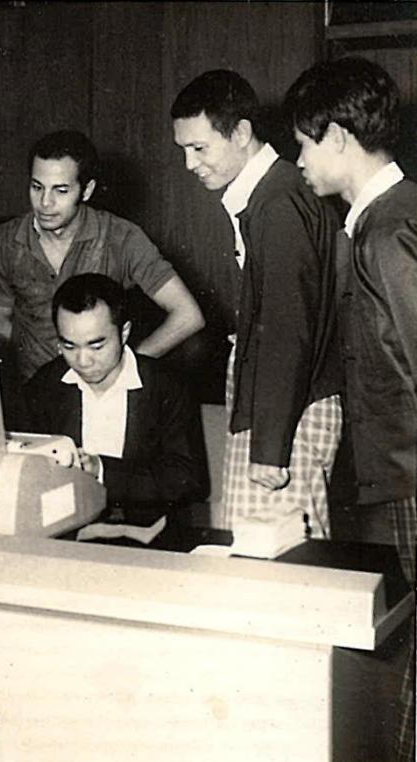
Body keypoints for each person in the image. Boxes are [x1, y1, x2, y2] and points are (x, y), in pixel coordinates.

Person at [285, 56, 415, 762]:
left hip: (411, 477)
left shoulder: (390, 229)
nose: (299, 160)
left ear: (337, 137)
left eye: (304, 143)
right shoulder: (379, 222)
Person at [171, 70, 343, 553]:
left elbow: (289, 330)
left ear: (242, 134)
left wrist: (270, 447)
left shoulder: (278, 201)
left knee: (278, 556)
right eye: (184, 149)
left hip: (289, 411)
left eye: (200, 148)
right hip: (279, 404)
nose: (189, 163)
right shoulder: (268, 195)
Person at [0, 129, 204, 386]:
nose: (45, 202)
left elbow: (188, 315)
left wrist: (126, 365)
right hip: (35, 392)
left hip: (105, 390)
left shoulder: (122, 238)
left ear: (86, 190)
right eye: (37, 187)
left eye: (61, 190)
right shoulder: (5, 241)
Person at [24, 274, 208, 526]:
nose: (83, 361)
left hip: (149, 538)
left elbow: (187, 479)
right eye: (69, 346)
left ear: (124, 333)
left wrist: (102, 471)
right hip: (67, 535)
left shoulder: (165, 386)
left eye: (97, 346)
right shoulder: (44, 386)